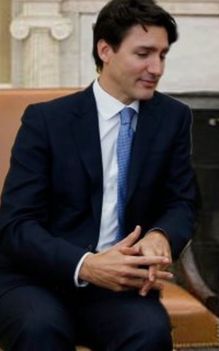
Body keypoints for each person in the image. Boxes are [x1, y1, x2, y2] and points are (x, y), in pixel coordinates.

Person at [0, 0, 198, 349]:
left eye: (163, 55)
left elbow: (182, 201)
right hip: (37, 279)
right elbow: (17, 224)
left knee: (148, 332)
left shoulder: (172, 118)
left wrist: (161, 235)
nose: (157, 68)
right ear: (105, 50)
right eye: (144, 54)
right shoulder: (47, 121)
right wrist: (86, 265)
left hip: (120, 287)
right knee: (39, 327)